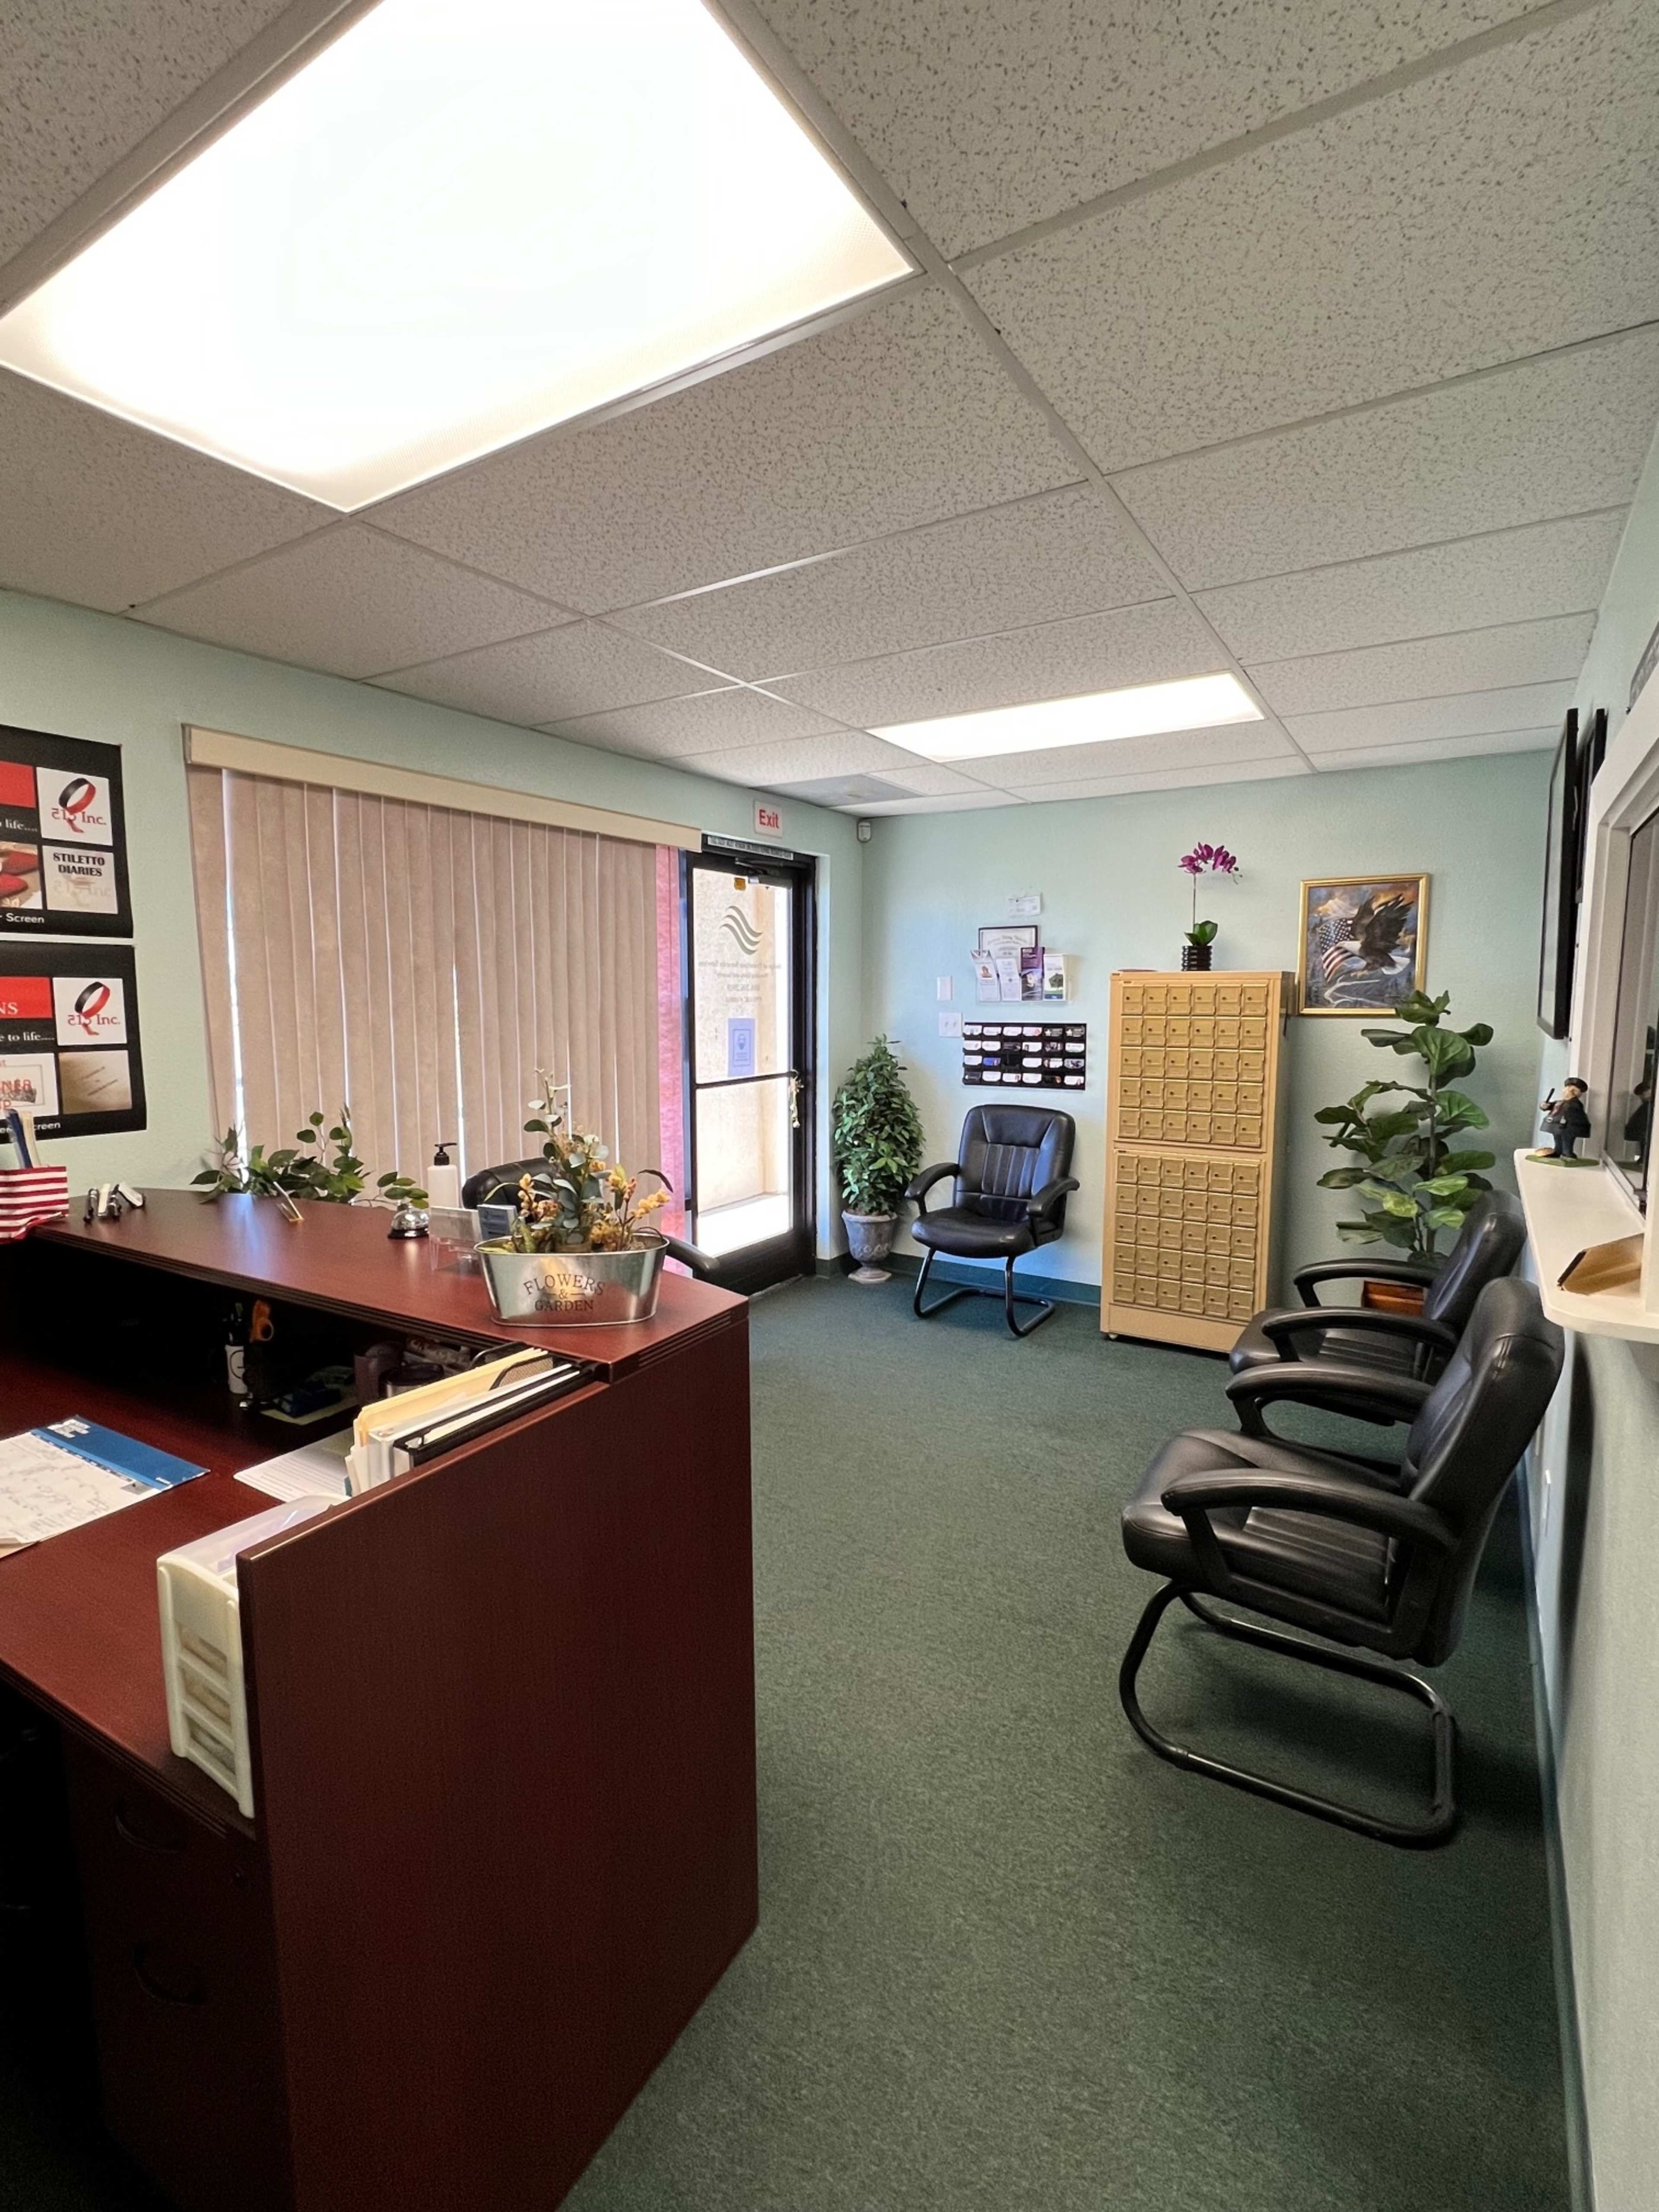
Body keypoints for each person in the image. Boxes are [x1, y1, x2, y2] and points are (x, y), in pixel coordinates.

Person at [1531, 1078, 1592, 1162]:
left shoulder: (1575, 1104)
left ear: (1574, 1093)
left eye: (1568, 1091)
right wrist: (1545, 1106)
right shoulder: (1561, 1102)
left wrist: (1567, 1119)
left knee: (1568, 1139)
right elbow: (1551, 1106)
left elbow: (1575, 1115)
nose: (1565, 1092)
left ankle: (1568, 1153)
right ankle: (1558, 1150)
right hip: (1557, 1125)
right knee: (1557, 1138)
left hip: (1568, 1127)